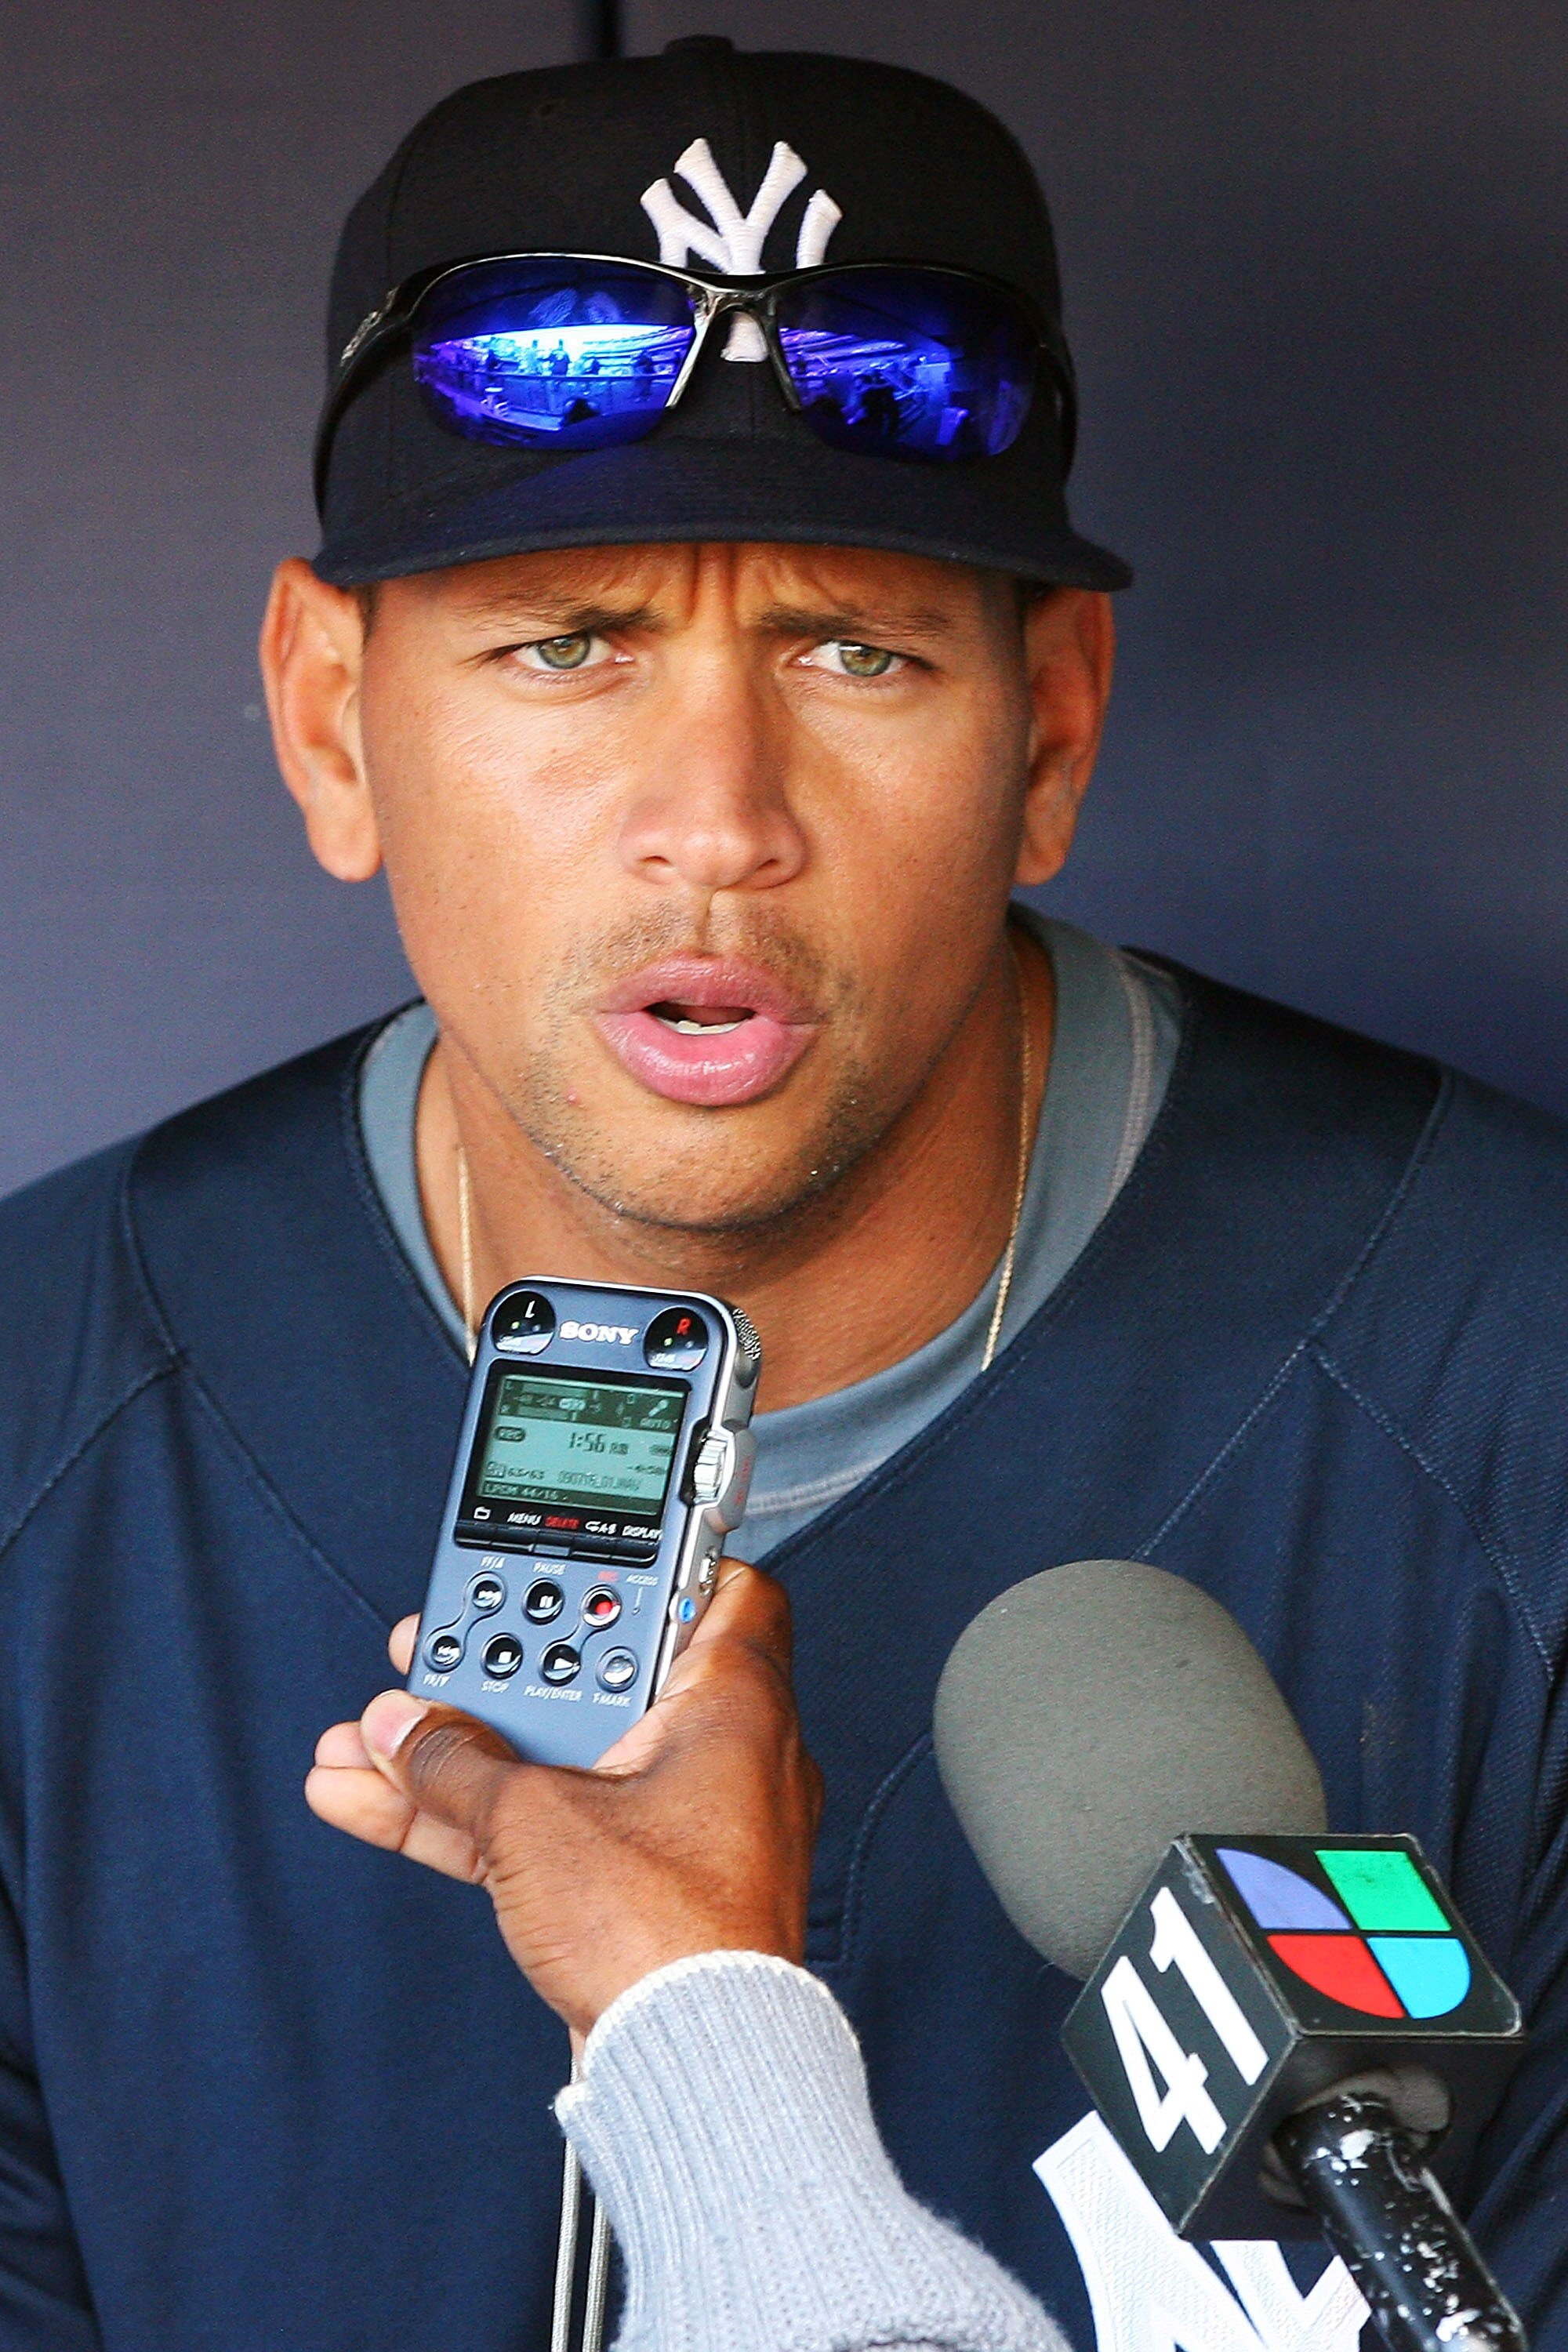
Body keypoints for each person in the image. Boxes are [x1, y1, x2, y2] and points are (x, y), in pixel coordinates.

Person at [0, 35, 1564, 2352]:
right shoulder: (35, 1424)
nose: (719, 818)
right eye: (567, 645)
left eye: (858, 648)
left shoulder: (1517, 1390)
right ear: (332, 719)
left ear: (1050, 732)